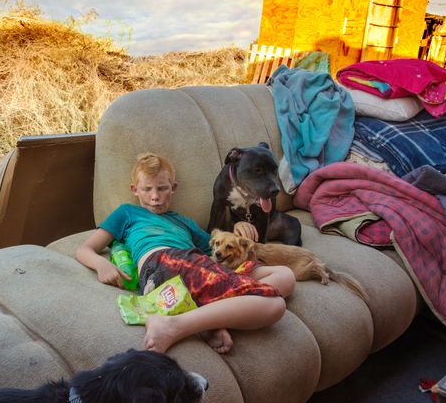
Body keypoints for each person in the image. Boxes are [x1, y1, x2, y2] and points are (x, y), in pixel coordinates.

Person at [75, 152, 295, 354]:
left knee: (285, 277)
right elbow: (85, 249)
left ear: (173, 188)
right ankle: (173, 325)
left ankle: (206, 319)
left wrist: (237, 230)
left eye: (162, 188)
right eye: (147, 189)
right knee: (275, 305)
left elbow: (216, 249)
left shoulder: (184, 222)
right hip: (163, 261)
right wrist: (101, 264)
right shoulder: (128, 213)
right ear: (134, 190)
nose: (155, 196)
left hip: (198, 264)